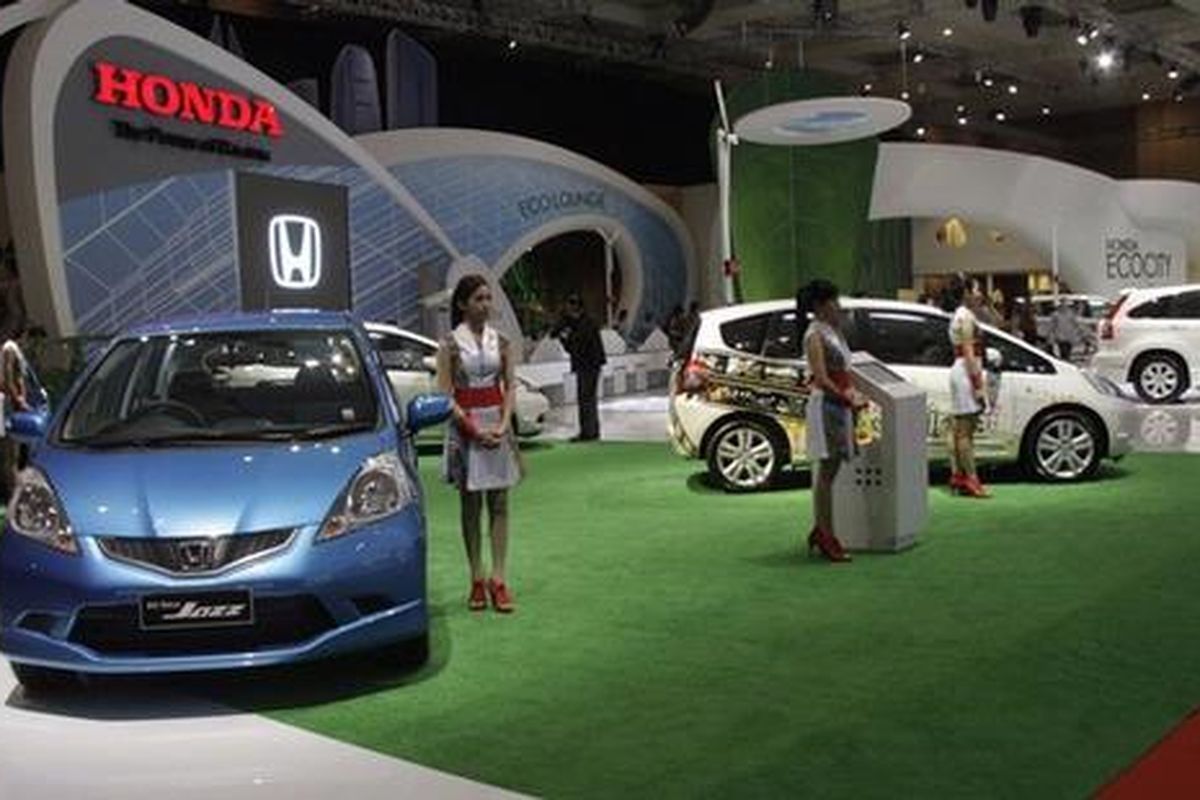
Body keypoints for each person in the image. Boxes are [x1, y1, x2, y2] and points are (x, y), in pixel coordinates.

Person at [437, 276, 523, 613]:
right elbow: (445, 394)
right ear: (462, 304)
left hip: (498, 428)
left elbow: (510, 386)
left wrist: (502, 425)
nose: (486, 304)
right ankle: (476, 577)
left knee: (500, 504)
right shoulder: (448, 345)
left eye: (488, 298)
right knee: (470, 505)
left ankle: (498, 579)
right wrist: (472, 429)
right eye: (478, 298)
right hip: (465, 431)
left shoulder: (502, 342)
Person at [800, 279, 859, 563]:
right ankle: (826, 534)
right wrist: (847, 397)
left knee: (830, 471)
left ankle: (821, 530)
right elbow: (821, 378)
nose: (839, 306)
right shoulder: (815, 334)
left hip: (838, 404)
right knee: (826, 473)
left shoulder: (832, 331)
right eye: (833, 301)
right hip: (827, 405)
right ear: (820, 305)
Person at [947, 277, 991, 499]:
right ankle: (971, 479)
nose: (980, 293)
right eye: (976, 289)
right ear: (966, 293)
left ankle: (959, 475)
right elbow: (968, 352)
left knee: (959, 429)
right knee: (965, 431)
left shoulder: (963, 314)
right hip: (966, 372)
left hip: (963, 371)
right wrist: (978, 385)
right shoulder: (964, 316)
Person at [552, 294, 606, 442]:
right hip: (590, 365)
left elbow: (576, 345)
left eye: (570, 307)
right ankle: (591, 431)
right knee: (588, 398)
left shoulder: (584, 324)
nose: (568, 311)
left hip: (588, 365)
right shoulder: (585, 322)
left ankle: (588, 432)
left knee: (586, 398)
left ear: (576, 307)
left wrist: (564, 338)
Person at [1, 326, 35, 499]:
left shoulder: (11, 348)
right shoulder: (10, 348)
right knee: (11, 452)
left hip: (11, 405)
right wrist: (19, 401)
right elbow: (7, 377)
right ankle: (13, 494)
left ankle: (16, 490)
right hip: (8, 406)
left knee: (17, 449)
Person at [1049, 298, 1085, 363]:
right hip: (1061, 337)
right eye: (1063, 304)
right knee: (1064, 351)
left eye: (1065, 305)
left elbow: (1076, 324)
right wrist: (1052, 336)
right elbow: (1053, 327)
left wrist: (1079, 332)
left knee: (1068, 351)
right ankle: (1065, 362)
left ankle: (1066, 361)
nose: (1064, 306)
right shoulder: (1055, 314)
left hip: (1069, 336)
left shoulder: (1071, 314)